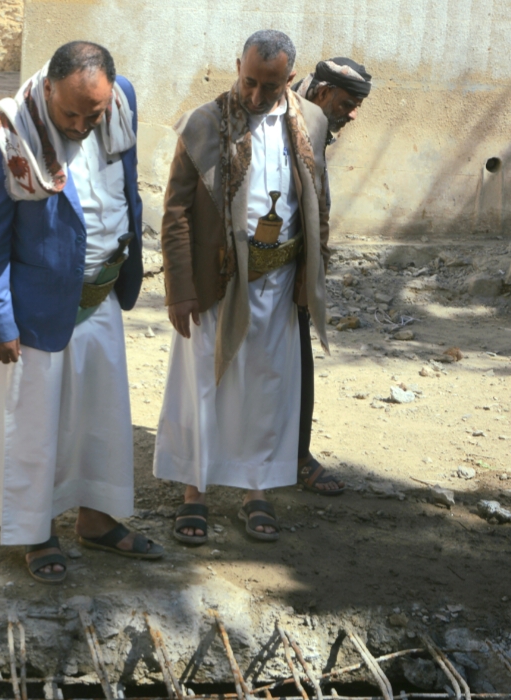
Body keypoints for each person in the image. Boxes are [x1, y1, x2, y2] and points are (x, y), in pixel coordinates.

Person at [0, 41, 162, 584]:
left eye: (90, 114)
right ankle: (34, 533)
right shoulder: (5, 132)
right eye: (69, 112)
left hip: (99, 293)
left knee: (99, 419)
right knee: (32, 428)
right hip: (35, 307)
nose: (79, 123)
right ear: (48, 88)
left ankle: (96, 521)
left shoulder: (120, 102)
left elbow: (126, 186)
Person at [153, 30, 330, 545]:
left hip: (278, 279)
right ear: (237, 66)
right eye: (248, 81)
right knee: (203, 382)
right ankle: (195, 492)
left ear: (290, 80)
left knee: (267, 385)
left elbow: (317, 199)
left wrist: (310, 277)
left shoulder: (311, 122)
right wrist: (180, 288)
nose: (254, 96)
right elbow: (176, 212)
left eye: (269, 86)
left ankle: (256, 490)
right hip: (217, 281)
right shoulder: (204, 124)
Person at [292, 57, 373, 496]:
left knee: (296, 354)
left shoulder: (315, 119)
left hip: (297, 265)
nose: (354, 113)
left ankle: (293, 454)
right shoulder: (291, 117)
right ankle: (296, 460)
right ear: (323, 93)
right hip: (266, 264)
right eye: (349, 102)